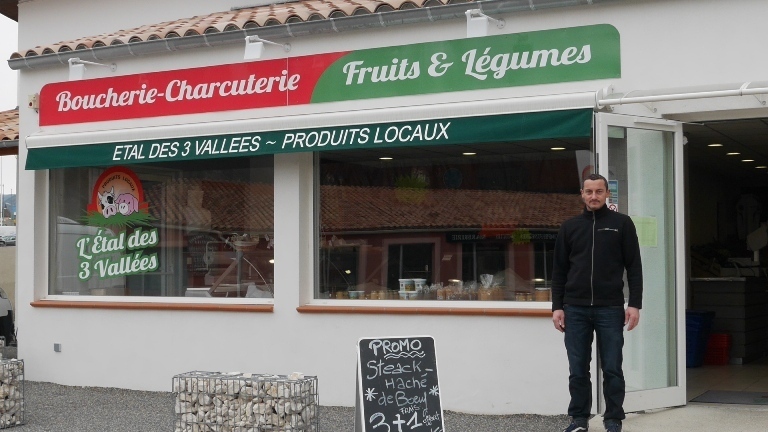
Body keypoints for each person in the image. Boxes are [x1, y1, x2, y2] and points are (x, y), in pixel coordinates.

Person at [551, 173, 642, 432]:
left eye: (599, 191)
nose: (594, 196)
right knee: (578, 369)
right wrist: (557, 306)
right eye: (589, 192)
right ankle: (579, 419)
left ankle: (613, 418)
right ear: (582, 194)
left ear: (607, 194)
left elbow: (634, 267)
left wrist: (634, 304)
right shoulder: (570, 227)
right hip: (575, 308)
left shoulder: (622, 224)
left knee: (612, 367)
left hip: (610, 308)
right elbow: (559, 271)